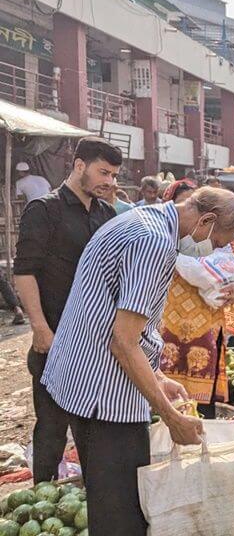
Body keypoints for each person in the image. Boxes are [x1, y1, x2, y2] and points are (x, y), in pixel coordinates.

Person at [41, 187, 234, 534]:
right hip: (105, 394)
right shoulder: (154, 243)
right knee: (121, 515)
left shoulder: (141, 218)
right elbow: (123, 342)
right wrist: (170, 414)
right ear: (206, 221)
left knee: (106, 504)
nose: (218, 251)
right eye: (221, 242)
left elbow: (118, 314)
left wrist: (156, 376)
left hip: (80, 378)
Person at [13, 137, 119, 482]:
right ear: (78, 166)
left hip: (95, 341)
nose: (110, 181)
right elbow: (24, 272)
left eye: (115, 175)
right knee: (52, 430)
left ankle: (97, 501)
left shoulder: (106, 214)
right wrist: (40, 328)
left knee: (93, 429)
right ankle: (44, 492)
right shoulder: (45, 210)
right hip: (55, 339)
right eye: (104, 172)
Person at [159, 185, 234, 419]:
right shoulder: (164, 238)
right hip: (169, 325)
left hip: (206, 325)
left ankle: (199, 427)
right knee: (165, 379)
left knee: (204, 382)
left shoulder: (219, 242)